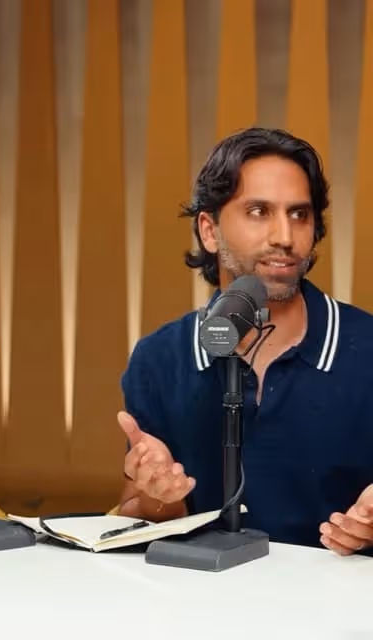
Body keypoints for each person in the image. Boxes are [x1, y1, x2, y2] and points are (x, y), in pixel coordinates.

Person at [117, 127, 373, 555]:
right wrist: (157, 493)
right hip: (203, 593)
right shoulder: (159, 358)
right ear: (209, 230)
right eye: (259, 211)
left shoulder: (366, 349)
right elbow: (139, 519)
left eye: (299, 214)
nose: (285, 236)